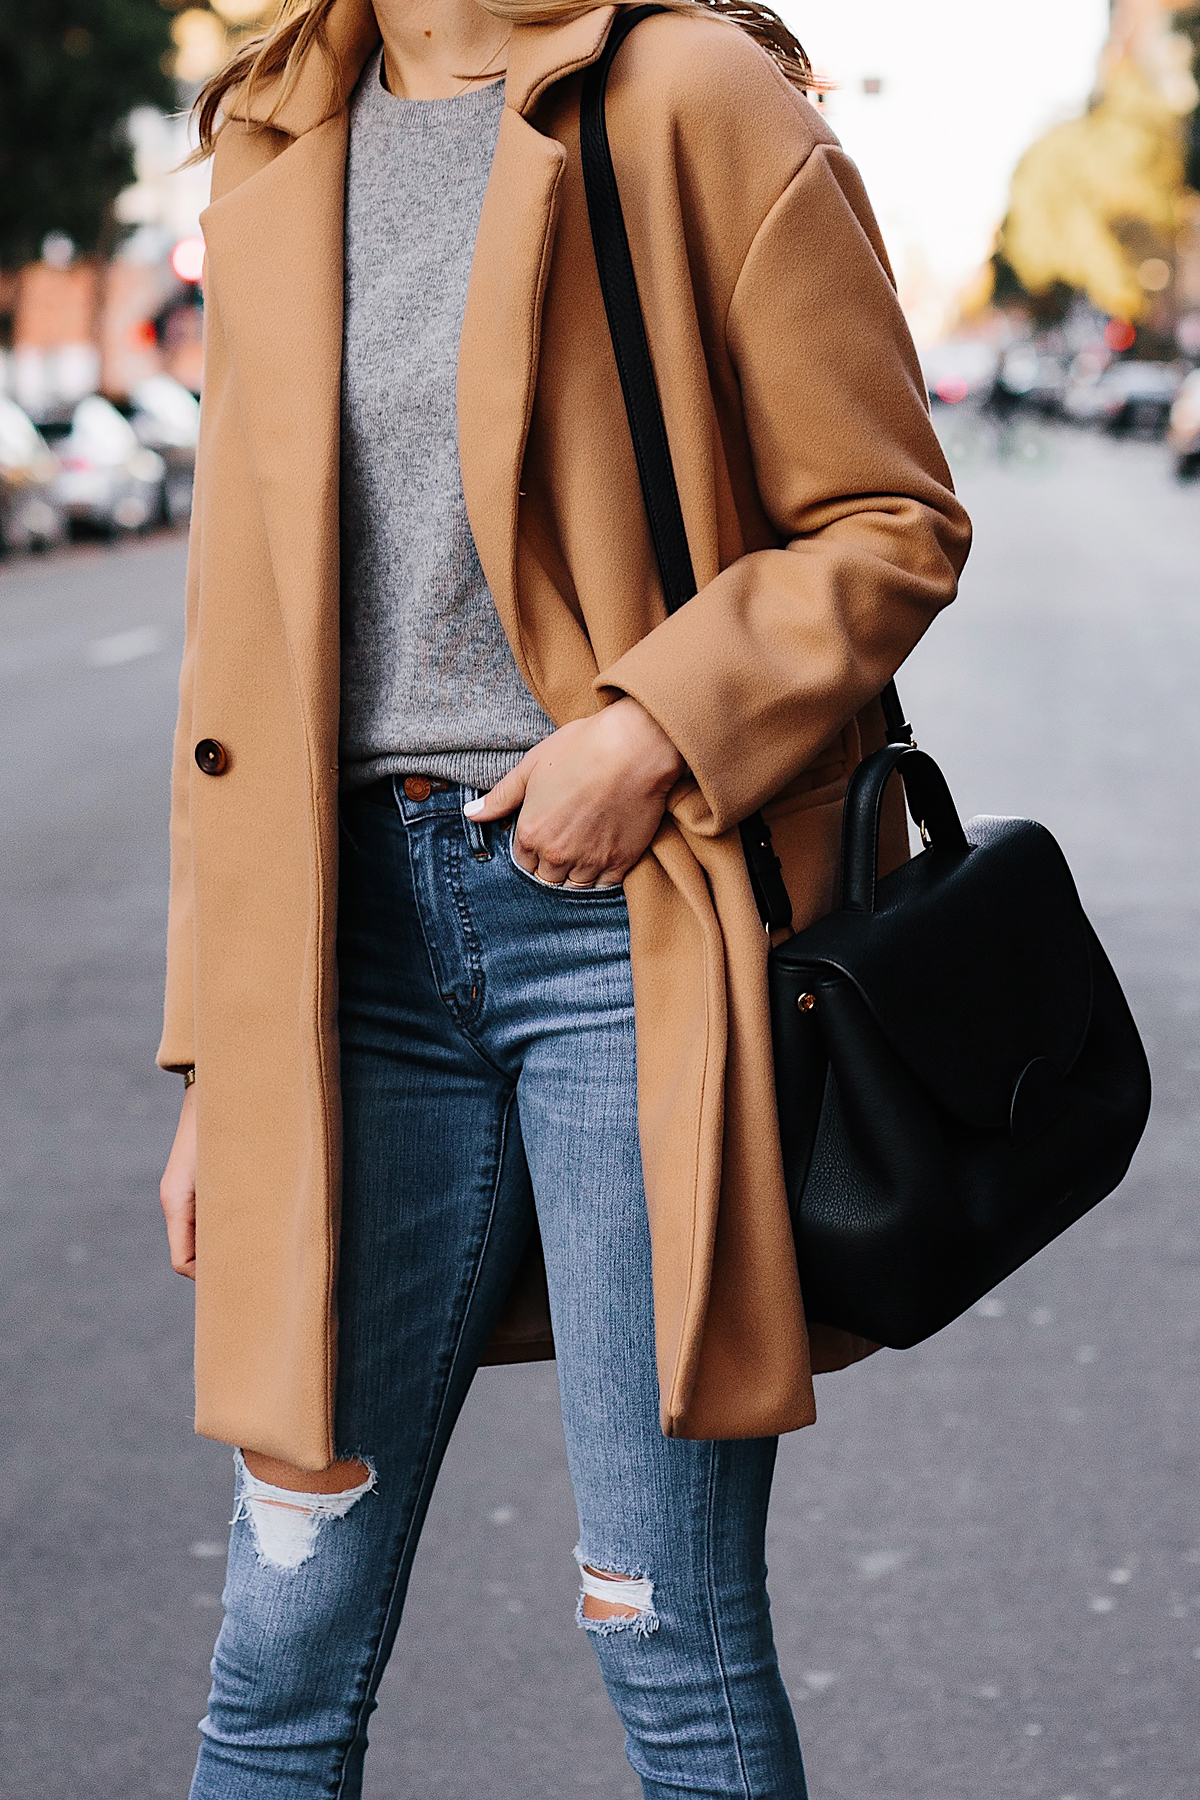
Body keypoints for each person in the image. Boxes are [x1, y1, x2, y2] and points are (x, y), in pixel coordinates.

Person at [157, 0, 970, 1792]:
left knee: (664, 1623)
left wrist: (653, 730)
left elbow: (889, 520)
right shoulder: (280, 132)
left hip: (629, 935)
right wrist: (218, 1053)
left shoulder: (685, 93)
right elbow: (239, 645)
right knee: (279, 1646)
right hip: (333, 962)